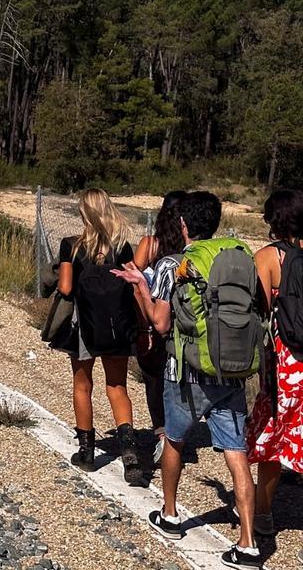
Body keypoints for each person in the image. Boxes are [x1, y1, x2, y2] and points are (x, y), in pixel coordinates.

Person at [114, 191, 262, 568]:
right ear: (215, 222)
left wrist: (141, 288)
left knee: (175, 440)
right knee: (236, 454)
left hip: (186, 373)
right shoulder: (238, 256)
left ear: (182, 224)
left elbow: (160, 323)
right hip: (232, 371)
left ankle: (171, 515)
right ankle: (247, 543)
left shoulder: (173, 265)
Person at [56, 188, 141, 485]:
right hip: (117, 326)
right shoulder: (122, 247)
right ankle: (129, 453)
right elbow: (135, 282)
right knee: (117, 386)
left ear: (84, 213)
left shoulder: (71, 246)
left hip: (84, 326)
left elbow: (66, 289)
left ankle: (87, 452)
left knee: (83, 385)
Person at [246, 189, 303, 541]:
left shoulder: (268, 257)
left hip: (286, 362)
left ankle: (264, 514)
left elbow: (260, 311)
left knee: (276, 433)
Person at [132, 191, 188, 467]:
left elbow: (134, 281)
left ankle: (161, 433)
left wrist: (143, 327)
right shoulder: (193, 249)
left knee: (154, 381)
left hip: (154, 322)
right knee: (178, 380)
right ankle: (177, 435)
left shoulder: (150, 245)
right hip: (185, 325)